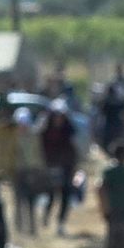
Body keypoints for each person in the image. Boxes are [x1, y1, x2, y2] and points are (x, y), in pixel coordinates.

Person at [39, 101, 81, 236]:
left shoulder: (69, 133)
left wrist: (74, 168)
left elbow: (74, 152)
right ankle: (45, 219)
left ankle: (60, 223)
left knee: (66, 196)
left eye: (61, 116)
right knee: (50, 196)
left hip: (66, 168)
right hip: (50, 168)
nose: (59, 119)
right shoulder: (45, 133)